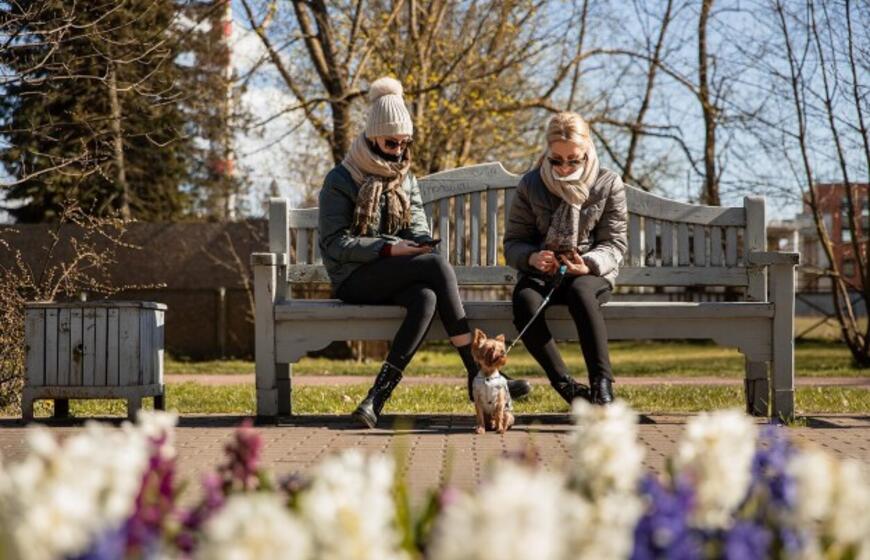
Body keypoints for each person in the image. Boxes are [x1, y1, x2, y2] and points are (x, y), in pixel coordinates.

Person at [318, 77, 531, 428]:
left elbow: (416, 224)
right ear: (372, 138)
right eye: (391, 142)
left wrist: (417, 242)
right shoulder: (341, 180)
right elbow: (335, 245)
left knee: (427, 297)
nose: (399, 150)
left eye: (405, 143)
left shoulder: (405, 177)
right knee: (435, 267)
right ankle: (475, 372)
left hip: (395, 273)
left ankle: (375, 400)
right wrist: (389, 248)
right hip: (353, 277)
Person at [504, 111, 628, 405]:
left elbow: (615, 242)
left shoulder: (607, 183)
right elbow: (513, 243)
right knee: (524, 303)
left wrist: (588, 264)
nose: (564, 168)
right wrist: (533, 258)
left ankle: (601, 385)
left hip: (588, 272)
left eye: (574, 159)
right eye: (556, 160)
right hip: (543, 272)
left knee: (580, 293)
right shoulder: (531, 184)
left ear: (587, 151)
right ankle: (566, 386)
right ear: (546, 152)